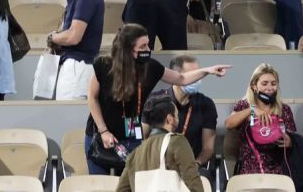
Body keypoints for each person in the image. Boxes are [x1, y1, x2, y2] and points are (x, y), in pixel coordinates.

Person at [86, 23, 230, 175]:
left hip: (130, 137)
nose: (148, 50)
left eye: (148, 45)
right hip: (100, 135)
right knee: (101, 185)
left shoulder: (150, 67)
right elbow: (92, 97)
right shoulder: (103, 65)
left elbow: (181, 78)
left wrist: (207, 70)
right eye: (143, 47)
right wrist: (104, 131)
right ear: (127, 49)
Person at [45, 0, 104, 100]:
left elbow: (73, 36)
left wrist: (52, 38)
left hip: (78, 69)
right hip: (74, 66)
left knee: (68, 119)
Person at [147, 55, 218, 175]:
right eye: (192, 73)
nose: (197, 78)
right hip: (157, 166)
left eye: (198, 73)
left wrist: (195, 164)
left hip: (191, 166)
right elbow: (144, 137)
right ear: (176, 76)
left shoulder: (206, 104)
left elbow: (208, 148)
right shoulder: (155, 100)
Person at [116, 95, 204, 192]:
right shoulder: (177, 142)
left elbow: (121, 189)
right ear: (169, 119)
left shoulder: (135, 153)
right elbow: (193, 181)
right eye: (176, 114)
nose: (178, 118)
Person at [225, 63, 297, 174]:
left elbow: (293, 137)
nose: (269, 88)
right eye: (264, 83)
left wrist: (290, 142)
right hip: (250, 166)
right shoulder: (244, 105)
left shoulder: (284, 109)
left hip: (279, 165)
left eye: (273, 84)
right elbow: (228, 123)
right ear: (254, 86)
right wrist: (252, 110)